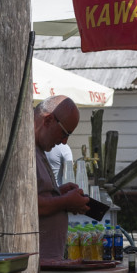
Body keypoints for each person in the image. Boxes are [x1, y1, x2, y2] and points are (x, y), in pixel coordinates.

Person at [35, 95, 91, 259]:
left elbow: (38, 195)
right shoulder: (24, 150)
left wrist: (59, 192)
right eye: (64, 133)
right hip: (37, 264)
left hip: (48, 260)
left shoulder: (39, 149)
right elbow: (28, 205)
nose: (65, 142)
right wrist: (65, 201)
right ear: (48, 120)